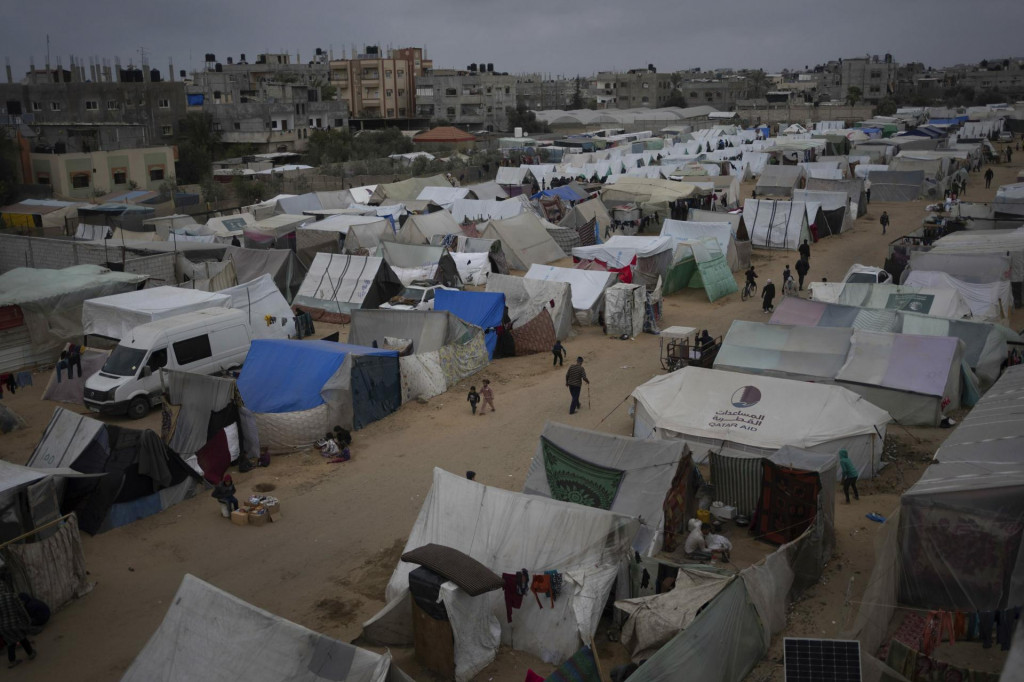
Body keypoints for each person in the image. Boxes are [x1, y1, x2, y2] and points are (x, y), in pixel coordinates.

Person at [0, 588, 36, 668]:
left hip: (3, 626)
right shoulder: (12, 596)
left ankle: (12, 661)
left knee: (10, 642)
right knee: (23, 638)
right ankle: (30, 653)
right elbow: (21, 609)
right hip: (15, 622)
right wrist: (28, 620)